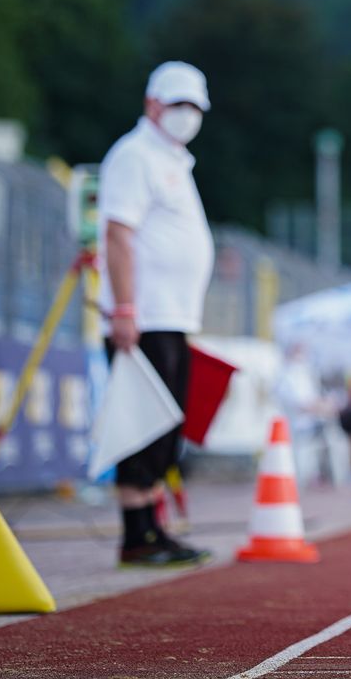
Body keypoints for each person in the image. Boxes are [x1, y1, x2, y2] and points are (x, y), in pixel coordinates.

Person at [97, 60, 217, 568]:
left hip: (173, 316)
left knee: (165, 426)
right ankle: (136, 533)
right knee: (141, 423)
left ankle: (152, 526)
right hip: (145, 316)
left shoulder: (171, 160)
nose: (187, 115)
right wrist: (125, 308)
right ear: (153, 105)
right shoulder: (134, 156)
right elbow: (119, 234)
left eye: (194, 107)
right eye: (178, 104)